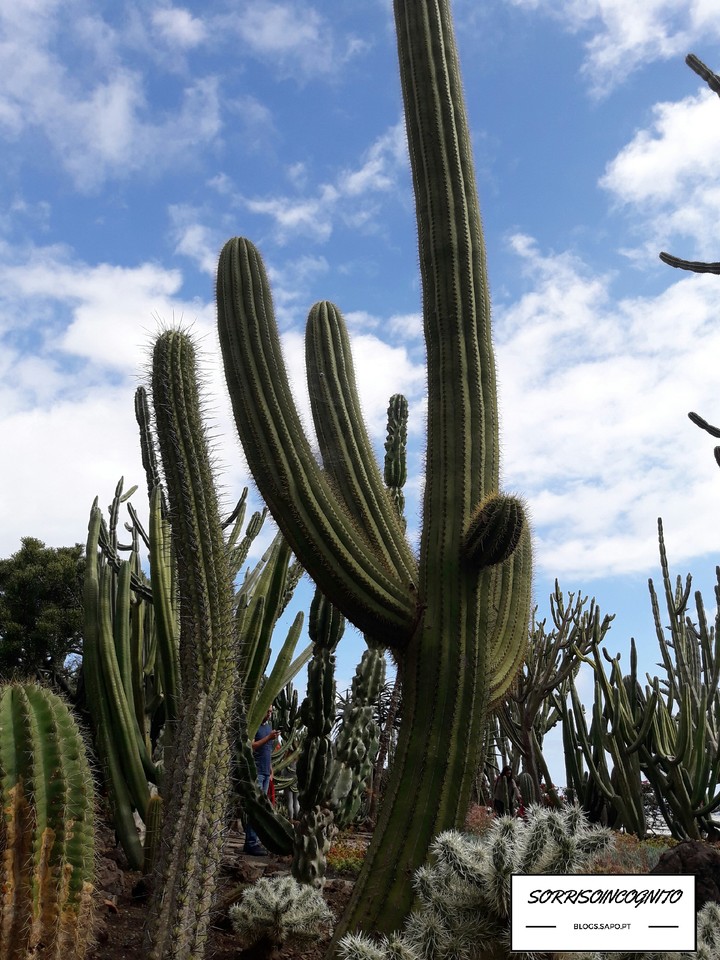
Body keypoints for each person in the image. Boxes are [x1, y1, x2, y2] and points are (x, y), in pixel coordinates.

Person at [243, 708, 279, 856]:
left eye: (270, 711)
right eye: (267, 710)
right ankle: (251, 843)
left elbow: (267, 750)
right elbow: (250, 746)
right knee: (256, 809)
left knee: (262, 809)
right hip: (256, 772)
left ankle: (255, 841)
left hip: (265, 772)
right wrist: (268, 738)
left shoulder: (268, 727)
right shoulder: (254, 726)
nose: (268, 713)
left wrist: (271, 770)